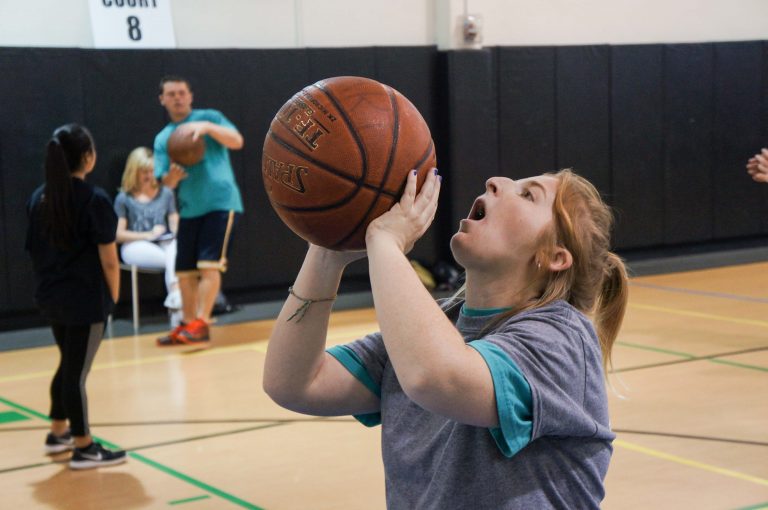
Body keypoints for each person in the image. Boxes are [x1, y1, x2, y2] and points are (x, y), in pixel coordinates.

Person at [263, 167, 628, 508]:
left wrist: (386, 243)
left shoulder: (563, 338)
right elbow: (295, 383)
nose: (495, 181)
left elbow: (437, 378)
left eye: (527, 195)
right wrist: (326, 254)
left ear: (554, 257)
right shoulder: (433, 329)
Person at [25, 123, 127, 469]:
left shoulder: (38, 198)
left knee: (68, 364)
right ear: (87, 157)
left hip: (51, 296)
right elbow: (109, 259)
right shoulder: (94, 200)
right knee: (76, 374)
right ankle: (83, 446)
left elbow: (33, 251)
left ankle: (58, 432)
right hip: (84, 300)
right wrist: (112, 298)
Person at [153, 75, 244, 346]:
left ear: (190, 96)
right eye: (171, 94)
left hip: (220, 203)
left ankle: (201, 323)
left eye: (182, 92)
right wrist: (171, 179)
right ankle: (186, 324)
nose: (178, 98)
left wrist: (206, 128)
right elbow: (164, 181)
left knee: (208, 265)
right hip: (190, 209)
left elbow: (237, 141)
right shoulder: (163, 138)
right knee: (184, 272)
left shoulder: (210, 117)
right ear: (162, 100)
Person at [115, 147, 182, 325]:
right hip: (135, 245)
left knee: (175, 247)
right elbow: (119, 234)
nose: (149, 175)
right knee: (174, 260)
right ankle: (177, 304)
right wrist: (147, 234)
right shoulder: (124, 198)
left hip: (163, 243)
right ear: (134, 172)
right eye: (144, 172)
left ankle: (176, 298)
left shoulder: (166, 193)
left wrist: (174, 232)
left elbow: (174, 221)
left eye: (152, 171)